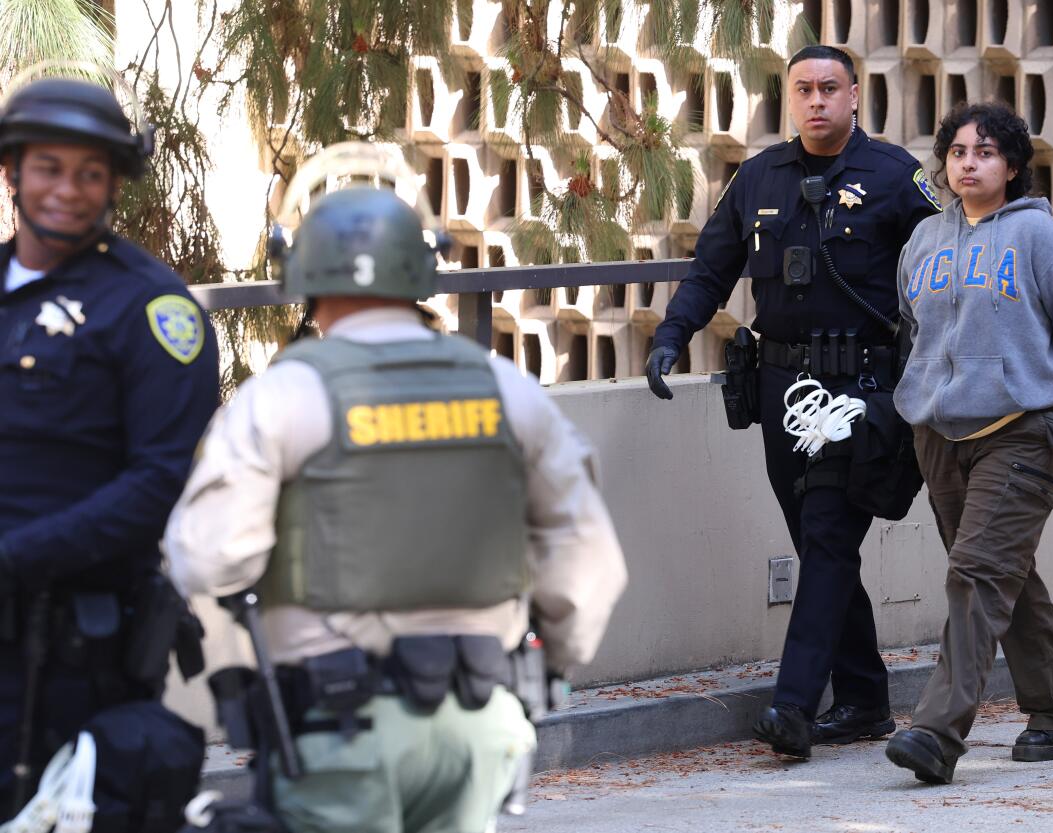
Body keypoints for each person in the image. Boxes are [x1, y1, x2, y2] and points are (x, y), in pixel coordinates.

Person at [163, 170, 628, 833]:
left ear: (305, 281)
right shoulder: (507, 388)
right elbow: (587, 563)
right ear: (420, 273)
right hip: (482, 721)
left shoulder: (283, 397)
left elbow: (208, 558)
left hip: (337, 728)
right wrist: (547, 664)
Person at [645, 45, 940, 759]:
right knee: (821, 545)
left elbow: (942, 274)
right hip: (781, 392)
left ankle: (793, 705)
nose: (815, 101)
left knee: (831, 534)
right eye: (803, 89)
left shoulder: (897, 177)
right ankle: (866, 697)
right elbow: (710, 269)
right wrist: (671, 336)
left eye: (829, 88)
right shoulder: (757, 177)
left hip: (863, 394)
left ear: (854, 96)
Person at [0, 74, 218, 825]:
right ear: (13, 172)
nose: (69, 189)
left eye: (91, 173)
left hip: (68, 652)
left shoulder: (150, 306)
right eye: (50, 168)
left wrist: (15, 557)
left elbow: (158, 480)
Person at [884, 101, 1053, 785]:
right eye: (957, 152)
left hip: (1023, 431)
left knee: (976, 574)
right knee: (1000, 575)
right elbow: (910, 322)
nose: (968, 163)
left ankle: (936, 731)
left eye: (984, 152)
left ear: (1011, 165)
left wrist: (1028, 375)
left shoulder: (1039, 239)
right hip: (938, 432)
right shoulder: (922, 241)